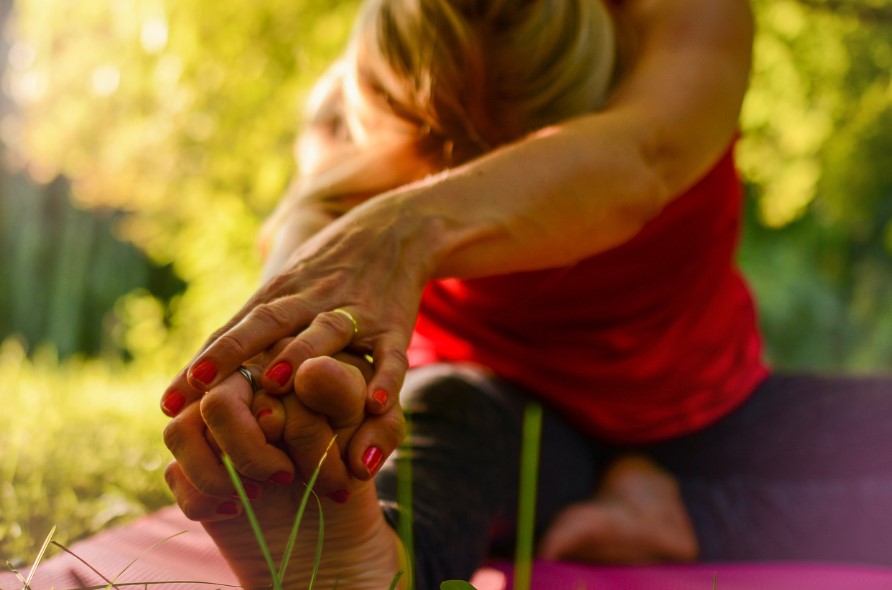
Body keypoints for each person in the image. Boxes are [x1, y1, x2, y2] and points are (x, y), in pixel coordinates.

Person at [160, 0, 892, 588]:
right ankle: (365, 561)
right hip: (501, 410)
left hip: (712, 411)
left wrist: (398, 230)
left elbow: (642, 158)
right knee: (446, 433)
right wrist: (277, 390)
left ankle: (681, 516)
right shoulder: (354, 100)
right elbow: (305, 237)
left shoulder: (687, 19)